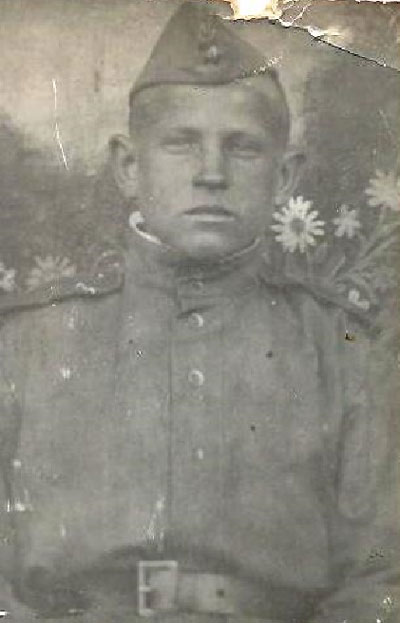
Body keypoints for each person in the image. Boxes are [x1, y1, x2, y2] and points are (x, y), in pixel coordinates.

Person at [0, 3, 398, 622]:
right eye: (182, 144)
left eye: (242, 148)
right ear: (129, 166)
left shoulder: (339, 351)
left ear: (284, 176)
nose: (211, 174)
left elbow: (384, 574)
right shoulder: (29, 344)